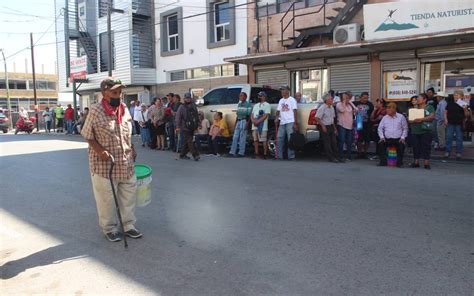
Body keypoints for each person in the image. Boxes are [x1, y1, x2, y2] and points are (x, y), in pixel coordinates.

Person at [80, 77, 141, 242]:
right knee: (106, 200)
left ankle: (128, 226)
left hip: (126, 162)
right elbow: (87, 134)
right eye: (114, 92)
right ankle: (109, 228)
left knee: (128, 197)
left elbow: (127, 134)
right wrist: (100, 151)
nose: (119, 95)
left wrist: (133, 149)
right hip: (104, 167)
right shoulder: (95, 110)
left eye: (120, 92)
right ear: (104, 93)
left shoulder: (124, 108)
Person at [377, 102, 408, 167]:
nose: (387, 110)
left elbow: (405, 128)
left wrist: (402, 138)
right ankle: (383, 161)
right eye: (387, 108)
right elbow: (380, 128)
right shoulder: (385, 117)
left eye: (389, 109)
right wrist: (382, 137)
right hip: (387, 139)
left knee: (402, 145)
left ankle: (399, 163)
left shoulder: (401, 117)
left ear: (394, 109)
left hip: (398, 139)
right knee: (380, 144)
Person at [409, 93, 435, 169]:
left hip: (425, 130)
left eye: (419, 98)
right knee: (415, 146)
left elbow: (432, 117)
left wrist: (421, 119)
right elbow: (409, 120)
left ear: (424, 100)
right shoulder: (414, 108)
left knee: (426, 147)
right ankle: (416, 162)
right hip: (415, 130)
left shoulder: (429, 107)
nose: (417, 100)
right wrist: (414, 120)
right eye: (417, 99)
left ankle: (426, 163)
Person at [444, 91, 469, 160]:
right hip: (450, 123)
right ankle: (447, 151)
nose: (455, 96)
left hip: (459, 123)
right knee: (449, 138)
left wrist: (465, 109)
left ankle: (458, 152)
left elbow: (466, 115)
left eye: (457, 95)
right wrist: (445, 119)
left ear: (461, 96)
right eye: (455, 95)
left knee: (459, 139)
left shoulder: (464, 104)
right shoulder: (450, 103)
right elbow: (445, 112)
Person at [175, 92, 200, 161]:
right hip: (185, 127)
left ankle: (182, 154)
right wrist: (177, 127)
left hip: (192, 126)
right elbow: (178, 117)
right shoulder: (182, 107)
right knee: (190, 141)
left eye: (189, 98)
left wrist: (198, 124)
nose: (188, 99)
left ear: (191, 98)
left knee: (187, 142)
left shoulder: (194, 105)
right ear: (184, 99)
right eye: (186, 98)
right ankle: (195, 155)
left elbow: (196, 115)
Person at [275, 85, 298, 160]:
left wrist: (295, 123)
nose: (282, 91)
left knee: (290, 139)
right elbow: (278, 111)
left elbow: (295, 111)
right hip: (282, 122)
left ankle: (291, 156)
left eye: (283, 90)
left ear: (287, 91)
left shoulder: (292, 100)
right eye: (281, 90)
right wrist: (276, 118)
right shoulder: (281, 100)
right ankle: (279, 156)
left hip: (290, 121)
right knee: (279, 138)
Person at [316, 94, 340, 162]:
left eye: (332, 99)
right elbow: (317, 118)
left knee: (334, 142)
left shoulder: (331, 107)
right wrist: (323, 126)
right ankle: (331, 157)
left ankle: (337, 156)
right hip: (325, 126)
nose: (332, 100)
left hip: (331, 125)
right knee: (328, 143)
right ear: (326, 100)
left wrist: (335, 129)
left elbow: (332, 119)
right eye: (331, 99)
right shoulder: (322, 108)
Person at [228, 92, 251, 157]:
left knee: (242, 137)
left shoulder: (248, 105)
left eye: (241, 96)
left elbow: (249, 116)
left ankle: (241, 152)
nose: (240, 97)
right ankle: (232, 152)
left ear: (245, 97)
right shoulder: (239, 104)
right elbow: (237, 115)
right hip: (238, 121)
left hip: (244, 121)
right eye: (240, 96)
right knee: (235, 137)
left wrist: (247, 124)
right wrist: (235, 123)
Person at [336, 92, 356, 161]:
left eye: (348, 98)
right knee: (341, 141)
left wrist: (350, 103)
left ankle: (349, 156)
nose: (347, 99)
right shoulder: (339, 104)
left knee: (349, 141)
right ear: (342, 98)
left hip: (350, 125)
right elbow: (342, 110)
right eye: (345, 98)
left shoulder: (349, 105)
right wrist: (344, 101)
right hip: (342, 125)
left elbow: (356, 109)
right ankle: (340, 156)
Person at [251, 91, 271, 159]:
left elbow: (266, 115)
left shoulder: (267, 105)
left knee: (263, 140)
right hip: (254, 125)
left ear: (264, 97)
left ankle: (265, 154)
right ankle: (256, 153)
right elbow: (252, 114)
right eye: (258, 96)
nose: (259, 97)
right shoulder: (255, 105)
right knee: (255, 140)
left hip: (262, 125)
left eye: (261, 96)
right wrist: (253, 120)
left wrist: (258, 121)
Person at [354, 92, 374, 159]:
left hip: (367, 123)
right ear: (361, 97)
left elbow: (371, 114)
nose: (366, 99)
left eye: (367, 98)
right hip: (359, 123)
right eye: (364, 97)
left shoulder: (370, 104)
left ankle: (365, 153)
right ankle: (359, 152)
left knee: (367, 139)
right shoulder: (355, 103)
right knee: (359, 139)